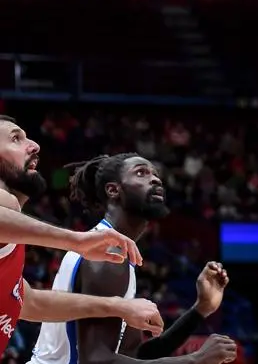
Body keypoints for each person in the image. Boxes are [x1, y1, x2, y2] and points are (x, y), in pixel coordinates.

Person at [30, 152, 237, 364]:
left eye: (156, 174)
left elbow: (134, 355)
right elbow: (96, 360)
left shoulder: (116, 250)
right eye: (141, 173)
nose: (155, 179)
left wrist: (201, 309)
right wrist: (196, 360)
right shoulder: (106, 254)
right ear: (113, 190)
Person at [0, 116, 165, 354]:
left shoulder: (11, 241)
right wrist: (78, 241)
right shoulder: (7, 206)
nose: (34, 145)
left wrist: (118, 306)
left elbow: (31, 302)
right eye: (16, 138)